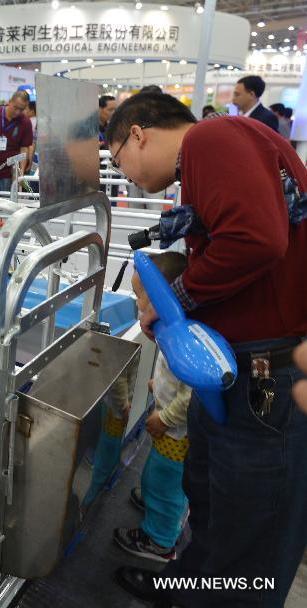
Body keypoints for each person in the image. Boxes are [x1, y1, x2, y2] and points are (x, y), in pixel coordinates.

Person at [106, 93, 307, 607]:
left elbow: (258, 239)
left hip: (266, 370)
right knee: (213, 499)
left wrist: (178, 297)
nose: (126, 176)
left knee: (251, 522)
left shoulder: (211, 138)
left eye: (120, 162)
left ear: (137, 134)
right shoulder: (216, 154)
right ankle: (189, 590)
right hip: (239, 366)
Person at [114, 252, 192, 564]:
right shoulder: (171, 330)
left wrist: (164, 416)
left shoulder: (182, 339)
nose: (136, 304)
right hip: (171, 429)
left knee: (165, 482)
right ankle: (158, 507)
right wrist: (156, 387)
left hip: (176, 432)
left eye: (139, 296)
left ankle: (160, 541)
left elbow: (191, 395)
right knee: (161, 478)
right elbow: (174, 379)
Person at [0, 91, 33, 193]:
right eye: (16, 107)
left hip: (8, 173)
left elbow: (24, 149)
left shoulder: (25, 123)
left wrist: (21, 172)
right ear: (9, 102)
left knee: (5, 205)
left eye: (22, 109)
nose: (18, 112)